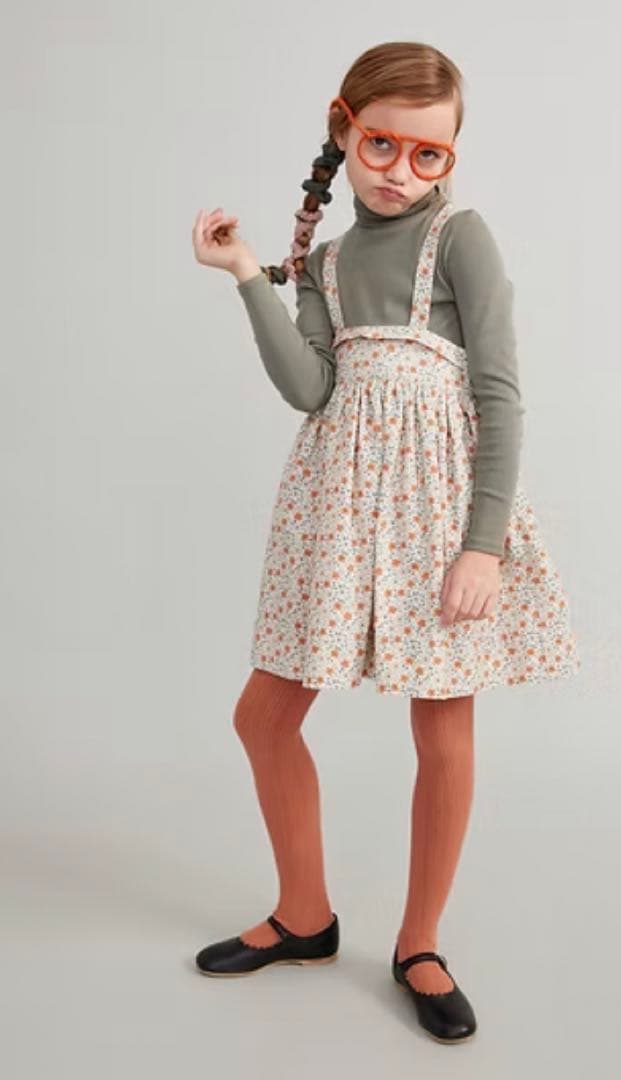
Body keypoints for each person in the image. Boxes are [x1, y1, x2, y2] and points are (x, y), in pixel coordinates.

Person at [191, 40, 580, 1044]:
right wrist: (248, 275)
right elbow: (310, 388)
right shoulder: (324, 262)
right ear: (344, 129)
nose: (400, 171)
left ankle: (419, 943)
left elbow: (499, 393)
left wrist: (482, 545)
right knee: (264, 716)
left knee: (441, 729)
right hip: (334, 512)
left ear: (450, 159)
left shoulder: (461, 238)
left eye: (426, 155)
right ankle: (304, 915)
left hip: (437, 516)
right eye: (380, 145)